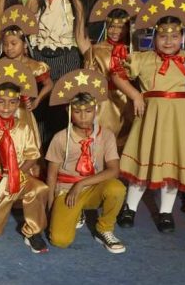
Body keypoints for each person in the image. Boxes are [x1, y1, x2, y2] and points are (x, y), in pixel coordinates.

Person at [112, 0, 185, 233]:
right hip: (151, 120)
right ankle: (129, 207)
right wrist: (136, 95)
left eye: (174, 36)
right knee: (143, 163)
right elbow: (117, 76)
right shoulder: (143, 59)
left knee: (173, 166)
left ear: (182, 37)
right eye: (162, 36)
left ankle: (165, 212)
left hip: (180, 122)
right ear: (155, 36)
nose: (168, 41)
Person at [0, 58, 51, 253]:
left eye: (12, 103)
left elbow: (32, 156)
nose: (6, 107)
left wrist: (17, 174)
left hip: (17, 178)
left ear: (18, 104)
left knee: (38, 188)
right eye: (1, 102)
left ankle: (33, 232)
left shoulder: (23, 128)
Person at [45, 69, 127, 254]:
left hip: (91, 186)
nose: (83, 117)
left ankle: (104, 229)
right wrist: (49, 209)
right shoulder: (60, 138)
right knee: (59, 241)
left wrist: (81, 184)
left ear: (95, 111)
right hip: (67, 190)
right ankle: (76, 212)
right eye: (78, 112)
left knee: (117, 187)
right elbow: (51, 176)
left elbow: (114, 171)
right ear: (69, 112)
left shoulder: (106, 135)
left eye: (88, 111)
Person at [24, 0, 88, 145]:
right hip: (40, 60)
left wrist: (91, 62)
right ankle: (39, 162)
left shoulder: (74, 3)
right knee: (39, 111)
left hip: (67, 59)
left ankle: (61, 162)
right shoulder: (33, 2)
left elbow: (81, 37)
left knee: (63, 110)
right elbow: (26, 37)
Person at [82, 0, 143, 149]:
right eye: (112, 27)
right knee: (104, 136)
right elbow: (87, 79)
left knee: (128, 137)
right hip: (104, 101)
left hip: (128, 99)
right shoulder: (95, 50)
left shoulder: (133, 50)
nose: (116, 31)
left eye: (121, 27)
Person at [0, 5, 53, 147]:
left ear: (24, 44)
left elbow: (49, 84)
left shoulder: (34, 65)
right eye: (5, 44)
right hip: (1, 111)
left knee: (24, 143)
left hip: (23, 112)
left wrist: (37, 101)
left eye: (13, 43)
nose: (9, 48)